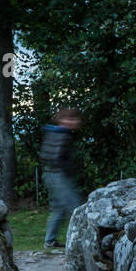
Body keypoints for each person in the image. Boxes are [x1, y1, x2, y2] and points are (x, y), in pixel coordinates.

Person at [41, 107, 83, 250]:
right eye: (73, 119)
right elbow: (55, 157)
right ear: (64, 120)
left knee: (59, 209)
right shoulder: (60, 135)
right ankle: (82, 240)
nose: (76, 122)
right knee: (76, 207)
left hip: (51, 173)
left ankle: (50, 241)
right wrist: (66, 170)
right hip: (57, 174)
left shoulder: (56, 133)